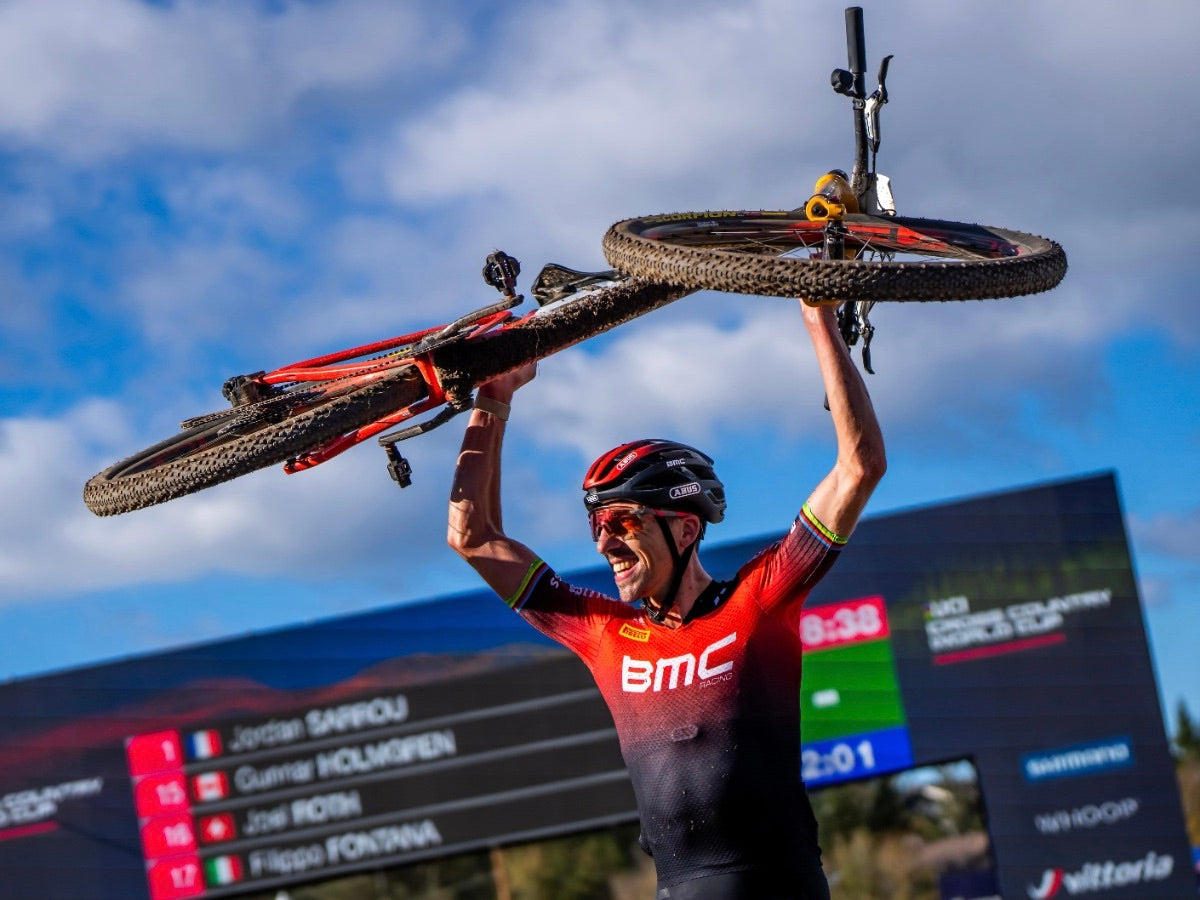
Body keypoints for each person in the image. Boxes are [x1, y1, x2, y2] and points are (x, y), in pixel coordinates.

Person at [447, 300, 885, 899]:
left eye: (623, 521)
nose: (604, 542)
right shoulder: (603, 633)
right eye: (596, 524)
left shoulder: (758, 599)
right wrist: (493, 399)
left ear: (685, 529)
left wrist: (819, 318)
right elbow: (471, 537)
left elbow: (858, 466)